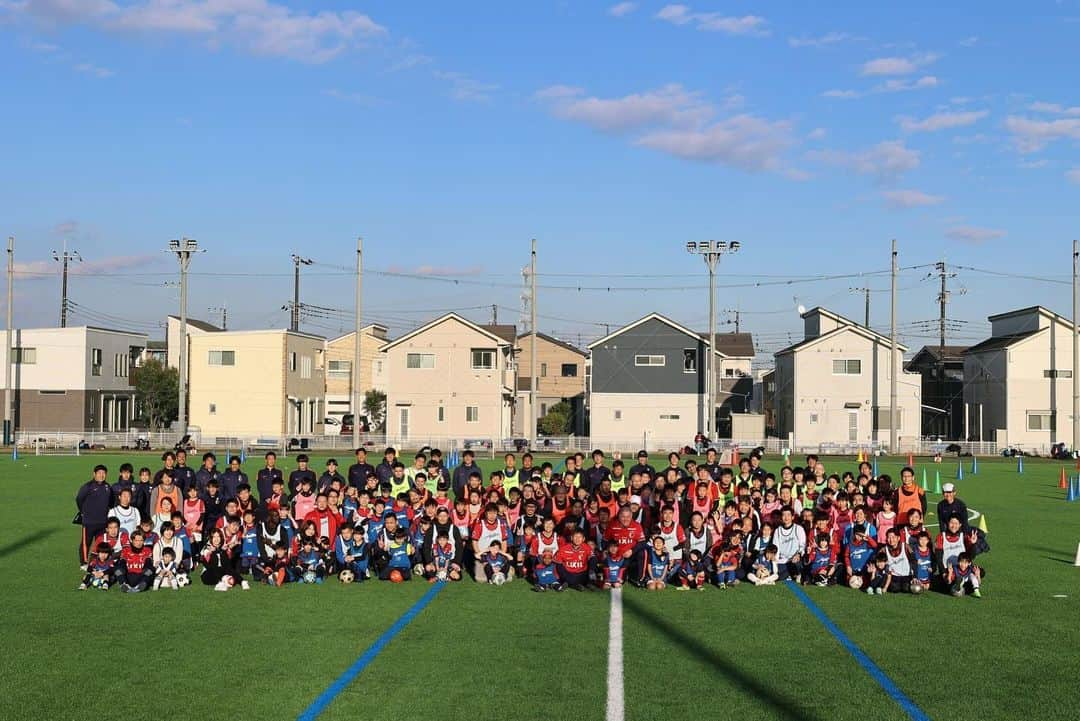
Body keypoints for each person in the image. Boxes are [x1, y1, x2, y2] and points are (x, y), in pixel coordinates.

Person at [76, 465, 114, 567]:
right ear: (94, 474)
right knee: (86, 543)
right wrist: (83, 511)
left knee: (100, 543)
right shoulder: (87, 486)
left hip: (102, 522)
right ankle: (83, 563)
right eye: (99, 473)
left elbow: (111, 502)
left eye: (104, 473)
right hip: (89, 521)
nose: (102, 475)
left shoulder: (107, 487)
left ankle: (98, 562)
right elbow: (79, 499)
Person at [773, 507, 806, 580]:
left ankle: (795, 573)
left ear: (793, 517)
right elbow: (776, 547)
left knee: (795, 565)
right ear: (781, 517)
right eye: (784, 515)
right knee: (776, 572)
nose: (786, 517)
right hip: (783, 560)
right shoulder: (777, 531)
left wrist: (799, 554)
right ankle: (791, 574)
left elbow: (802, 545)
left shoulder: (798, 529)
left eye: (788, 515)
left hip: (795, 559)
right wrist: (775, 560)